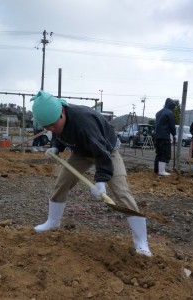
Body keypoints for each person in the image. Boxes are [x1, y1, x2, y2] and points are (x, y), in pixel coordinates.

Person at [31, 90, 152, 257]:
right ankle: (53, 222)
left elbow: (101, 152)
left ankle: (141, 242)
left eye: (52, 125)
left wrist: (101, 180)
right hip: (81, 152)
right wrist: (56, 147)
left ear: (62, 112)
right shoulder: (56, 120)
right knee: (62, 182)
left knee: (121, 192)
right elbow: (60, 133)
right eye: (47, 127)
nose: (51, 129)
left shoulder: (84, 122)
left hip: (107, 150)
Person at [154, 98, 177, 176]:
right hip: (164, 136)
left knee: (159, 153)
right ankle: (161, 171)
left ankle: (156, 170)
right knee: (165, 153)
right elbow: (171, 126)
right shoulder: (169, 113)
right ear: (171, 105)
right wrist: (174, 134)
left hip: (157, 136)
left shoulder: (158, 113)